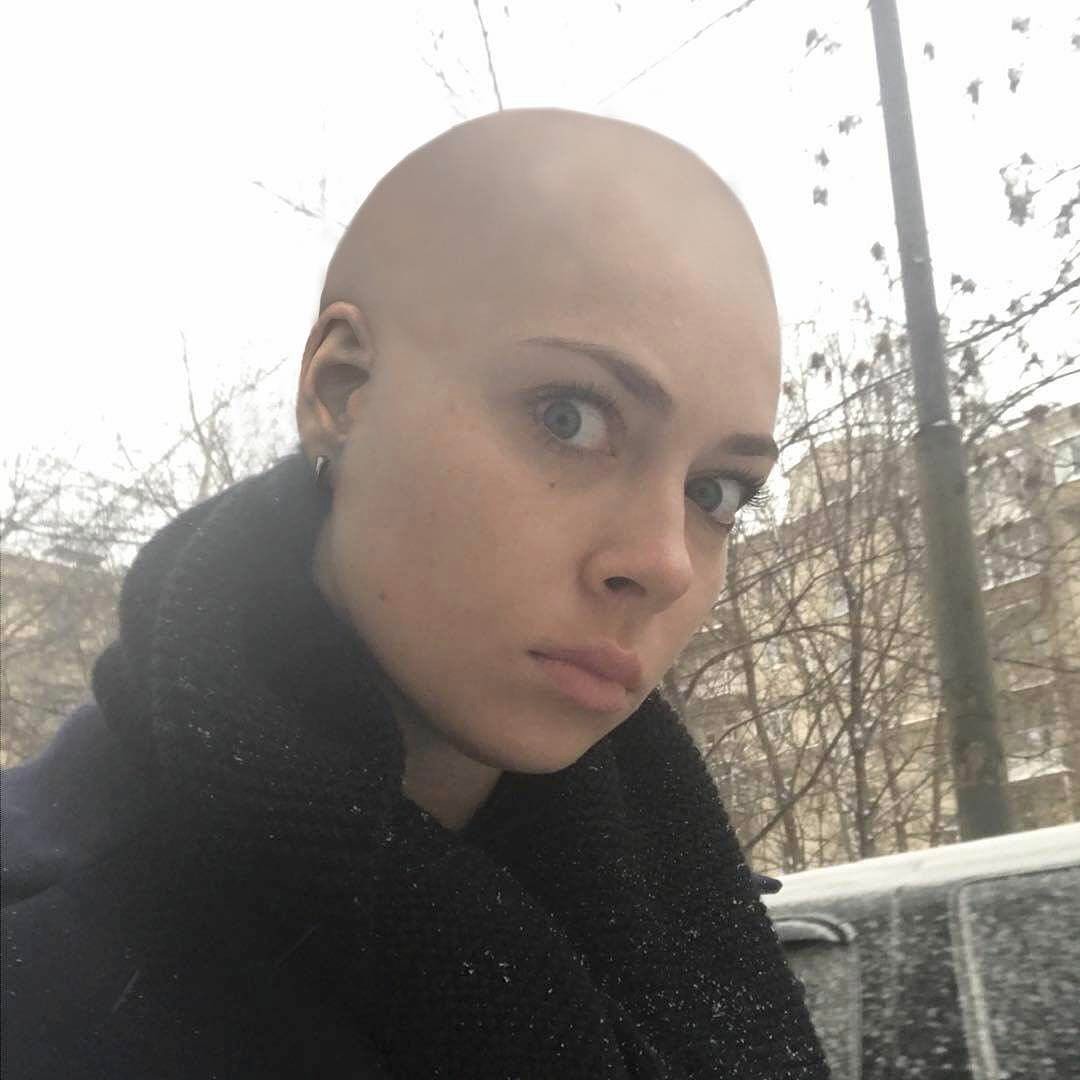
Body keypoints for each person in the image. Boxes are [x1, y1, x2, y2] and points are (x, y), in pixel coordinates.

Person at [1, 109, 828, 1078]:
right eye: (570, 417)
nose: (664, 562)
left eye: (716, 492)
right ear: (341, 390)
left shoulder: (687, 934)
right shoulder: (42, 965)